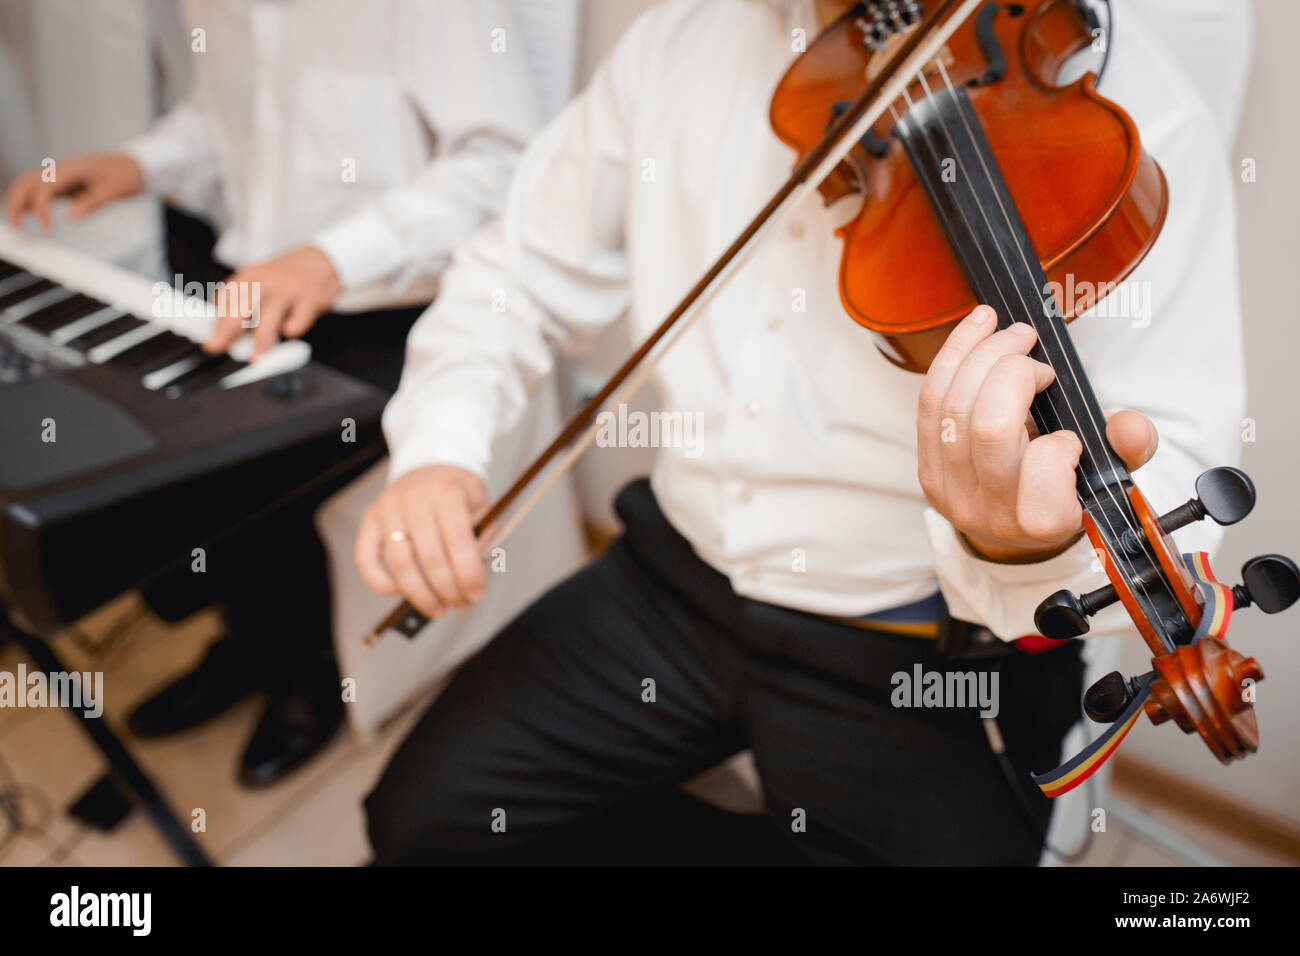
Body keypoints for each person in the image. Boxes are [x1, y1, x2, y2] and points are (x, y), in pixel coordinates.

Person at [357, 0, 1246, 864]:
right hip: (677, 579)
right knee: (425, 824)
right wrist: (438, 450)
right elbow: (516, 269)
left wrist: (1013, 546)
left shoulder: (1129, 106)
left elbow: (1177, 456)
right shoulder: (682, 38)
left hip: (917, 639)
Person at [3, 0, 540, 787]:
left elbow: (503, 162)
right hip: (252, 276)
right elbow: (226, 118)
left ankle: (308, 673)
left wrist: (331, 257)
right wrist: (140, 162)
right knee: (177, 463)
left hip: (399, 301)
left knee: (259, 478)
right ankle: (250, 643)